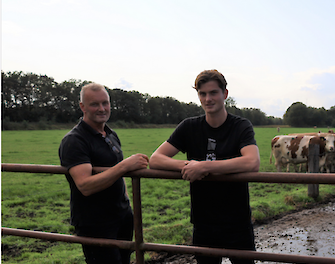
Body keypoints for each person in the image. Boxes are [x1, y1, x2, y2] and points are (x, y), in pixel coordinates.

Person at [149, 70, 260, 264]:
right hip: (203, 221)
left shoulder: (241, 126)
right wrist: (189, 166)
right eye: (202, 94)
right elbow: (156, 159)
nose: (208, 99)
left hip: (237, 221)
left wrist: (204, 167)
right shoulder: (189, 127)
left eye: (213, 93)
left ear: (225, 94)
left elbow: (252, 162)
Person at [59, 83, 149, 264]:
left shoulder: (110, 134)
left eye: (105, 103)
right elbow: (85, 185)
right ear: (82, 106)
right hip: (96, 223)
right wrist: (124, 166)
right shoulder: (75, 140)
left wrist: (126, 203)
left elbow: (117, 175)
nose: (102, 109)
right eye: (95, 104)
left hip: (121, 216)